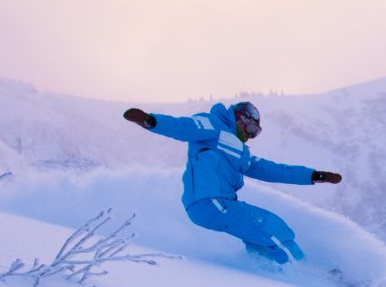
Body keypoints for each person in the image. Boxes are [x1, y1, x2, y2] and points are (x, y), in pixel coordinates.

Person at [123, 101, 342, 264]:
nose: (250, 136)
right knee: (270, 225)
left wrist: (314, 175)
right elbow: (184, 127)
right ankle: (306, 273)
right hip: (209, 199)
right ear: (241, 118)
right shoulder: (213, 125)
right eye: (251, 130)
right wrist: (150, 121)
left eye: (255, 134)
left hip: (219, 203)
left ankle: (274, 273)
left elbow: (271, 169)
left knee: (259, 240)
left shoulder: (240, 152)